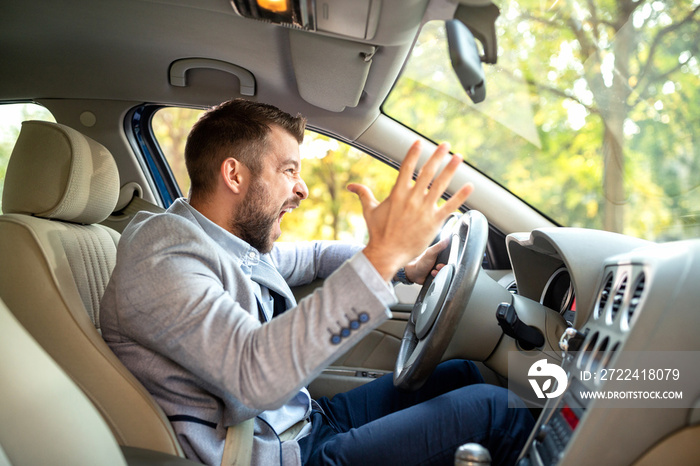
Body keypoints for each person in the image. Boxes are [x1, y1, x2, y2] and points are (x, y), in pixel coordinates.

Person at [100, 99, 534, 466]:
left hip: (304, 422)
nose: (302, 188)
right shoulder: (162, 260)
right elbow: (253, 377)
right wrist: (380, 257)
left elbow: (314, 257)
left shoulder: (222, 243)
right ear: (234, 175)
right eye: (289, 170)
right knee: (495, 412)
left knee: (464, 374)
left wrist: (406, 265)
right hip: (280, 455)